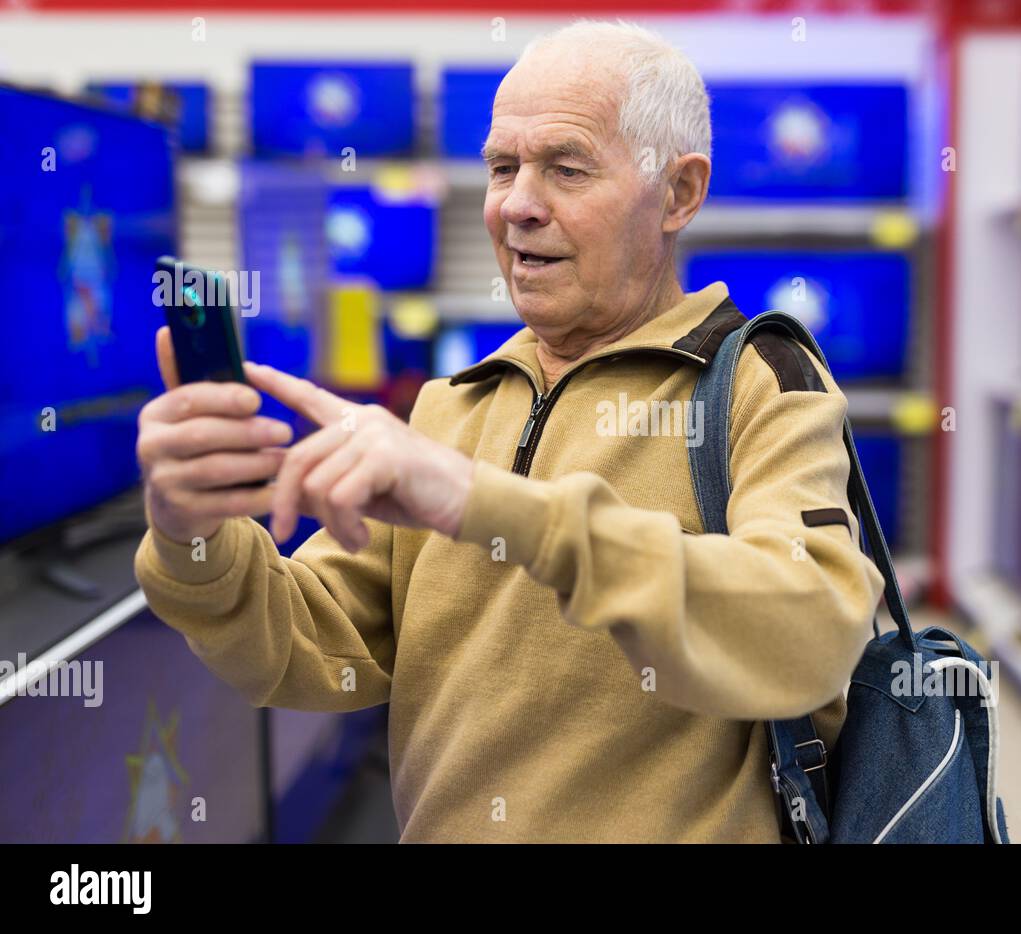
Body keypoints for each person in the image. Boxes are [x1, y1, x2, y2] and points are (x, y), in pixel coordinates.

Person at [134, 19, 884, 843]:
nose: (518, 206)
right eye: (501, 168)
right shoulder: (451, 405)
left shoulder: (756, 383)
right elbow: (299, 650)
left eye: (567, 168)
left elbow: (809, 637)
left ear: (679, 193)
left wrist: (485, 505)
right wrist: (194, 534)